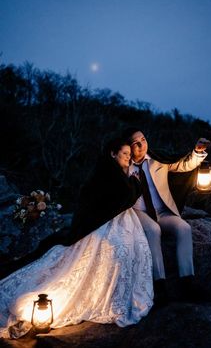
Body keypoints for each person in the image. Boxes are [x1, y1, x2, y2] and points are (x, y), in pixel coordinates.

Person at [0, 137, 153, 339]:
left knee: (131, 249)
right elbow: (119, 199)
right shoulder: (107, 173)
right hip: (103, 224)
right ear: (113, 154)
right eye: (124, 154)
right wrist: (134, 183)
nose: (127, 158)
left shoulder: (121, 173)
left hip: (121, 221)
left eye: (129, 155)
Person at [122, 128, 210, 305]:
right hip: (139, 213)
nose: (141, 145)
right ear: (129, 147)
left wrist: (198, 152)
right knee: (153, 231)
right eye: (136, 143)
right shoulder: (124, 167)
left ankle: (187, 281)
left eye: (144, 139)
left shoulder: (158, 160)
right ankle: (159, 286)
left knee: (184, 228)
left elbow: (184, 164)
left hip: (163, 212)